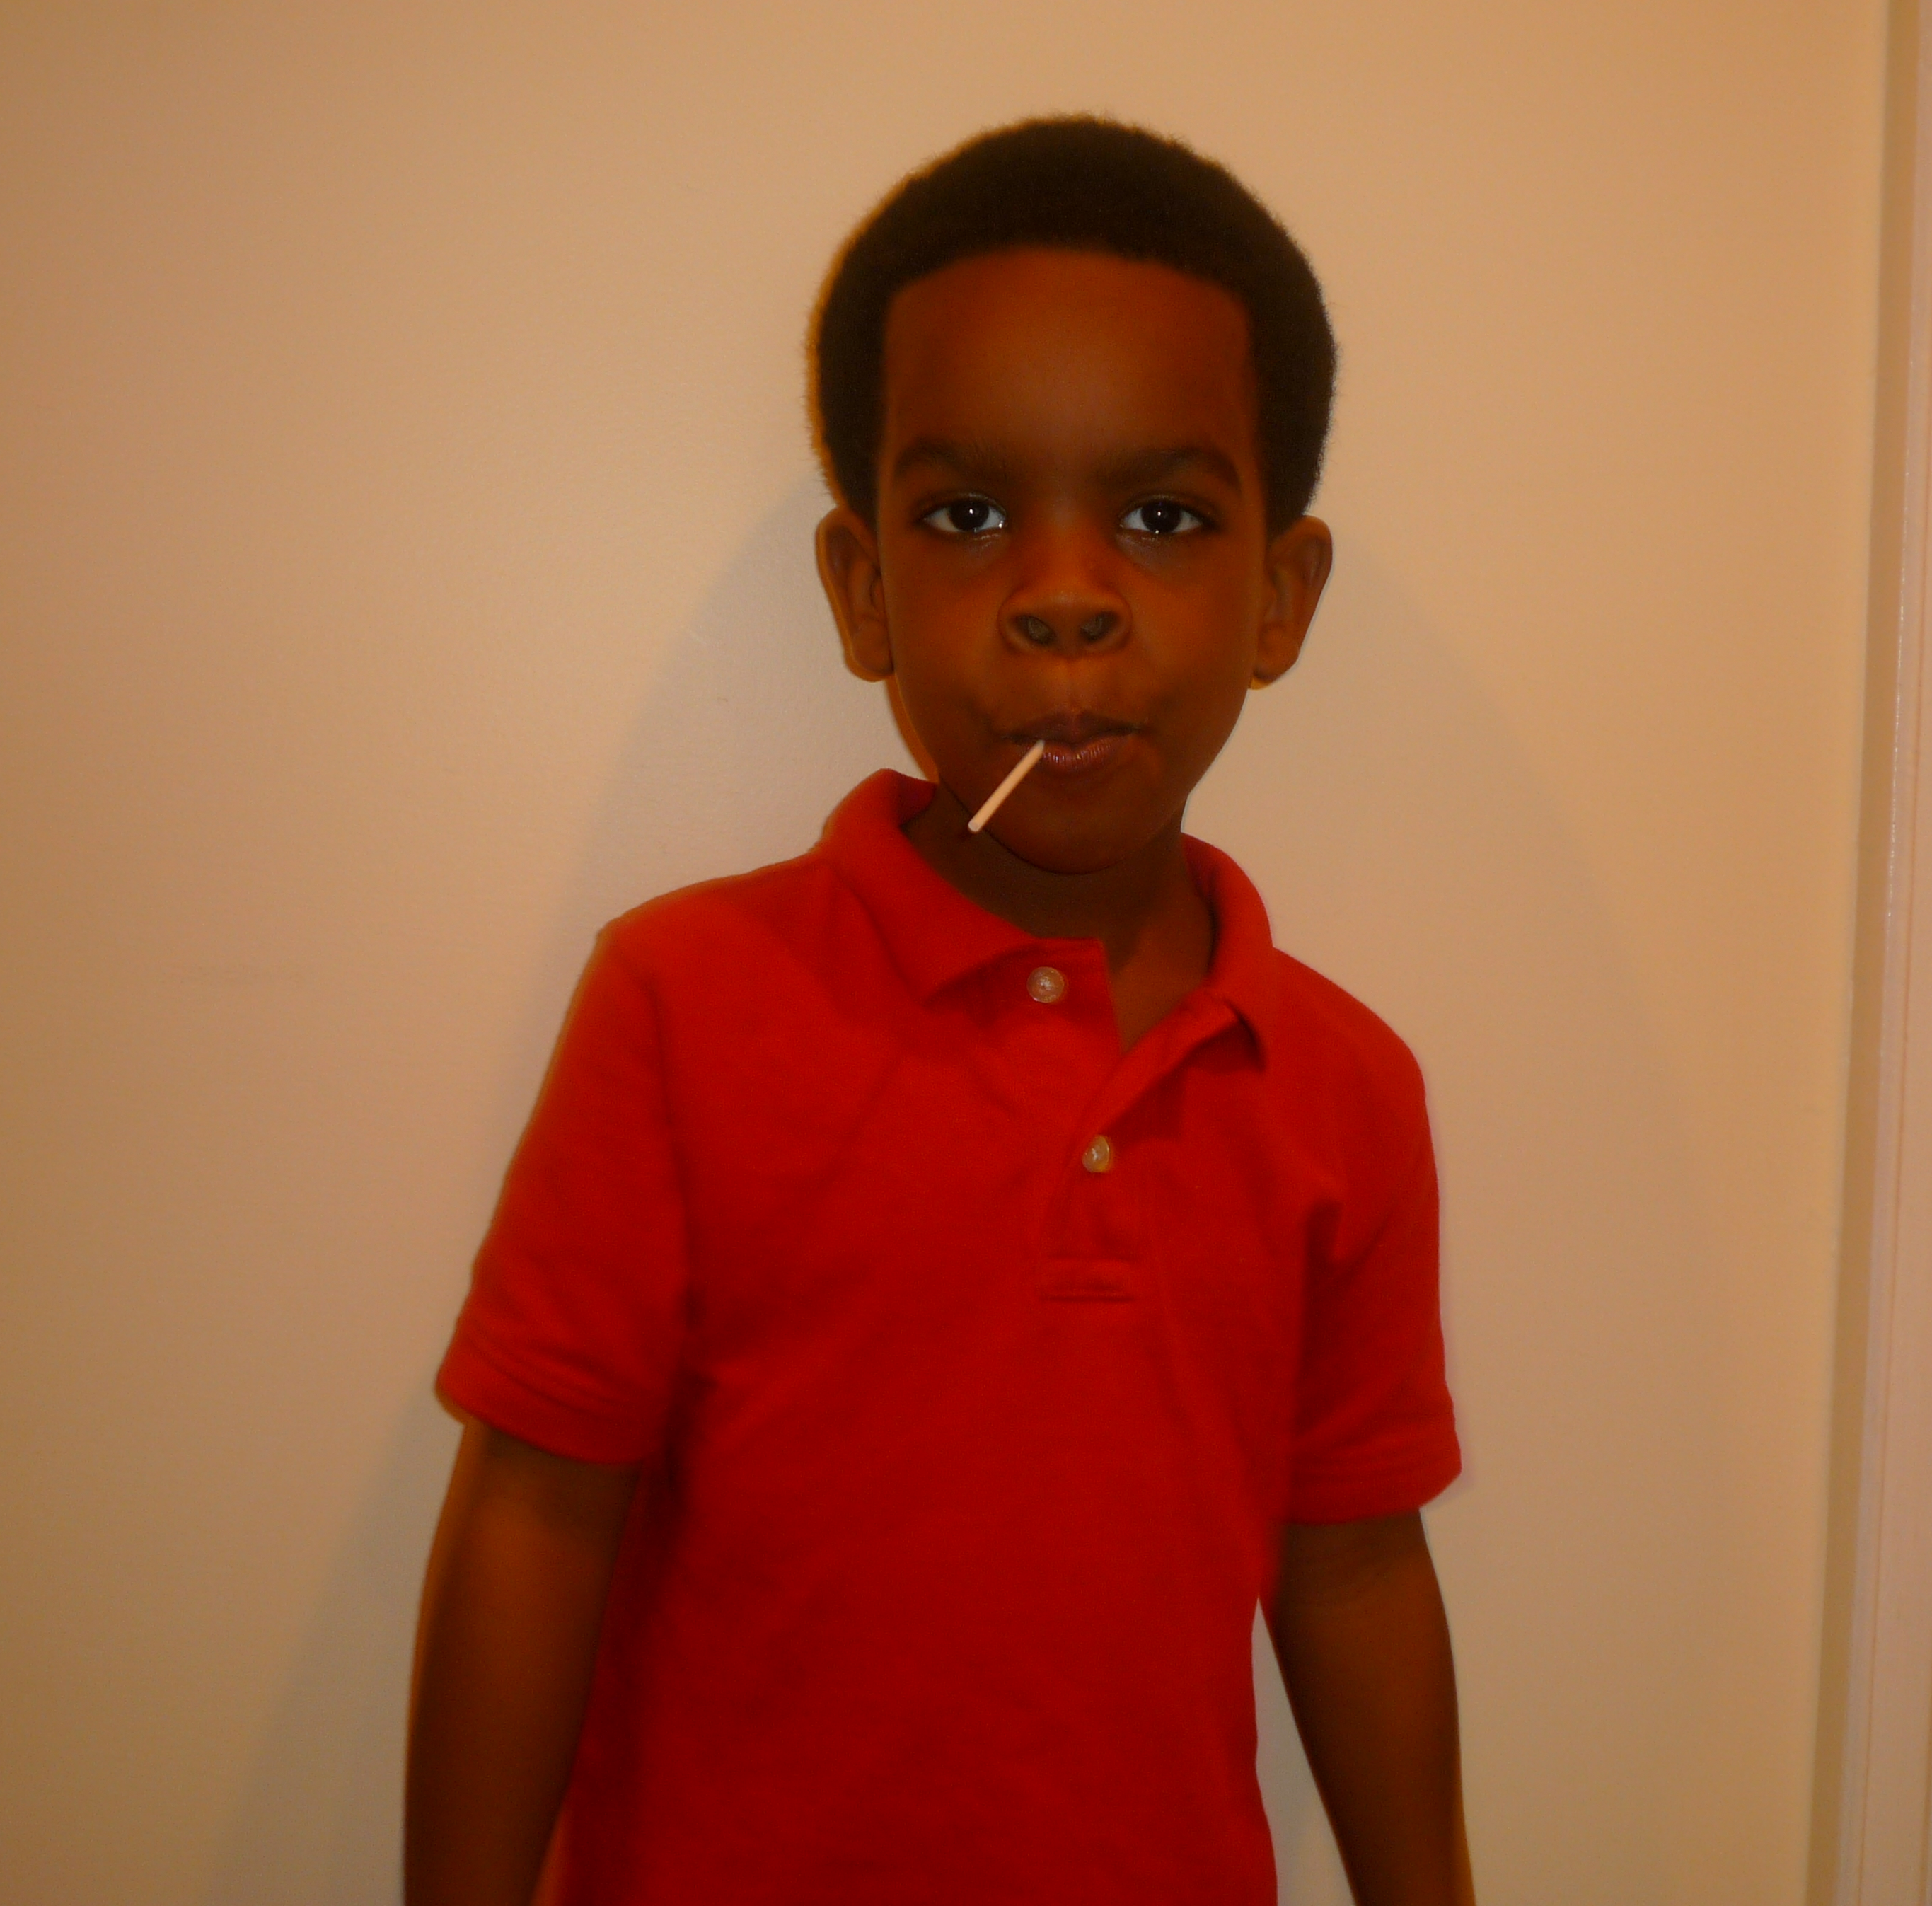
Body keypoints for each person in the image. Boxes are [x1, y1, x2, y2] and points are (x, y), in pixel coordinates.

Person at [406, 117, 1471, 1906]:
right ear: (862, 592)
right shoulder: (684, 1005)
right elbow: (536, 1512)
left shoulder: (1344, 1084)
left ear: (1279, 600)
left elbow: (1356, 1565)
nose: (1063, 597)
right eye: (970, 516)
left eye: (1161, 518)